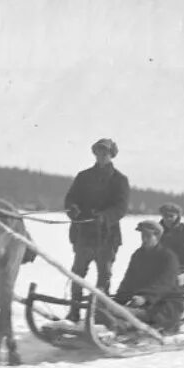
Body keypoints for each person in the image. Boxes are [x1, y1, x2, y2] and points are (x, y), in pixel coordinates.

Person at [63, 138, 130, 322]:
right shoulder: (83, 176)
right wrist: (73, 208)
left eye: (105, 153)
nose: (101, 156)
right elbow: (70, 199)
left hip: (107, 237)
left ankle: (100, 316)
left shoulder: (120, 180)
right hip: (83, 235)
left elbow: (121, 208)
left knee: (103, 277)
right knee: (77, 274)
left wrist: (104, 216)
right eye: (98, 152)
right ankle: (74, 312)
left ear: (111, 155)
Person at [110, 220, 184, 334]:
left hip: (164, 304)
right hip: (141, 303)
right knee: (111, 309)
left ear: (157, 237)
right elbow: (128, 281)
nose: (144, 239)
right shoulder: (138, 255)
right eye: (142, 236)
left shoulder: (168, 257)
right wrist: (119, 300)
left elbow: (164, 283)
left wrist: (145, 298)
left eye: (148, 236)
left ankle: (122, 326)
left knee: (122, 313)